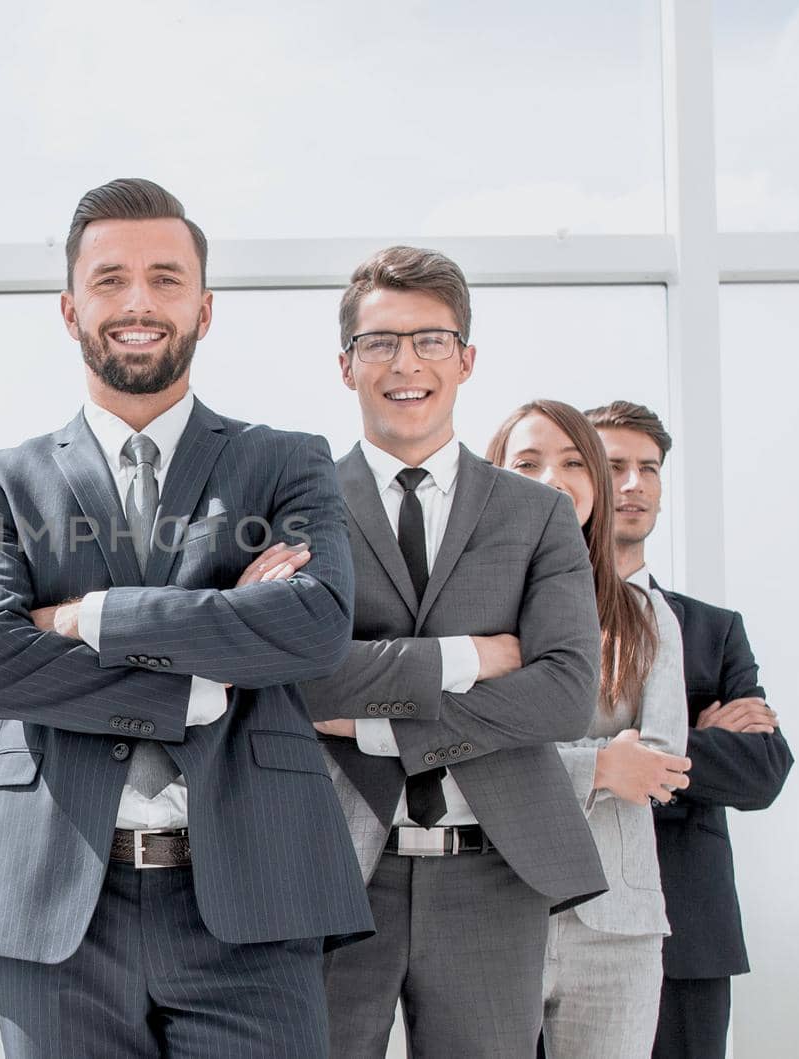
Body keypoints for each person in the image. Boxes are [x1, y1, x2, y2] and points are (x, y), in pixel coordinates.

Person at [0, 177, 370, 1058]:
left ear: (205, 308)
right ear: (69, 309)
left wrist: (84, 615)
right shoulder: (0, 481)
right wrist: (210, 652)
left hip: (256, 897)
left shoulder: (286, 462)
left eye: (166, 279)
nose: (138, 302)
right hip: (55, 900)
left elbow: (315, 626)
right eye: (110, 280)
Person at [300, 247, 608, 1058]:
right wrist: (473, 656)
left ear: (466, 358)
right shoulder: (298, 510)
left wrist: (374, 725)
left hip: (494, 870)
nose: (406, 363)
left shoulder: (538, 514)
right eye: (380, 343)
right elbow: (299, 681)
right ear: (346, 365)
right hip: (333, 868)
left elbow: (565, 694)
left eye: (430, 340)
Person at [585, 400, 794, 1059]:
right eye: (614, 465)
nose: (634, 484)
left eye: (649, 468)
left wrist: (642, 754)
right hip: (559, 917)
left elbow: (761, 772)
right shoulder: (534, 620)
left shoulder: (711, 629)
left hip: (688, 931)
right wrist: (691, 741)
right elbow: (521, 748)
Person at [487, 399, 692, 1056]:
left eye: (575, 461)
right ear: (493, 478)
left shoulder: (646, 614)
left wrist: (528, 748)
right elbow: (457, 749)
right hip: (487, 910)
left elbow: (659, 764)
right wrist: (600, 764)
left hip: (617, 919)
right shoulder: (461, 608)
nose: (553, 476)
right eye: (528, 461)